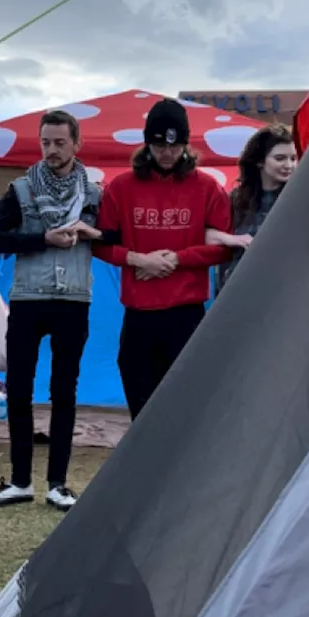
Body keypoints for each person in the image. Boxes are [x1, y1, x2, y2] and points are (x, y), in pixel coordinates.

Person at [0, 110, 101, 512]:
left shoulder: (95, 193)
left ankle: (58, 484)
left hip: (73, 299)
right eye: (46, 142)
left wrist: (92, 232)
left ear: (76, 144)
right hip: (28, 298)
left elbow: (114, 237)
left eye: (60, 142)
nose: (51, 150)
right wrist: (43, 238)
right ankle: (19, 481)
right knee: (18, 390)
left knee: (64, 391)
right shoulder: (21, 189)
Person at [93, 98, 233, 420]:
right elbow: (100, 244)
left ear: (185, 144)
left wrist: (176, 259)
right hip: (139, 316)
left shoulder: (208, 187)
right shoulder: (121, 188)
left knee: (185, 412)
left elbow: (224, 246)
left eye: (174, 146)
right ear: (147, 144)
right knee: (141, 410)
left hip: (185, 315)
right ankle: (144, 468)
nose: (166, 154)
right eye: (158, 146)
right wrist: (139, 260)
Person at [210, 124, 298, 293]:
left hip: (284, 296)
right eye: (280, 158)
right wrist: (232, 239)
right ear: (259, 161)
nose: (289, 165)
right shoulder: (235, 199)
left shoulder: (301, 198)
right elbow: (205, 234)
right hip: (238, 294)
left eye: (293, 158)